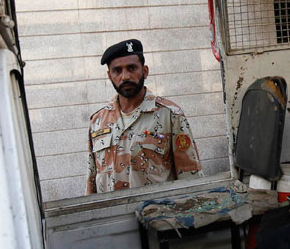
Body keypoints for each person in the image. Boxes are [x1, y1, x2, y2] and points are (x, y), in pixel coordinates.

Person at [86, 39, 203, 195]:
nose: (125, 76)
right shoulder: (98, 121)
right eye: (117, 71)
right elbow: (92, 180)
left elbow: (190, 175)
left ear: (145, 71)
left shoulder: (170, 115)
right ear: (109, 76)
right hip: (112, 216)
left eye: (132, 68)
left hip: (155, 215)